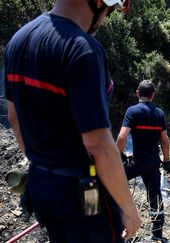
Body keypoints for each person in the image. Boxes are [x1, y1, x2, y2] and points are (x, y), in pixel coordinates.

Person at [4, 0, 142, 242]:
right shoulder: (82, 49)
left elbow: (14, 119)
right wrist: (129, 210)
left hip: (41, 184)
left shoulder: (18, 40)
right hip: (83, 195)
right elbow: (98, 145)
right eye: (109, 11)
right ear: (99, 2)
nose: (105, 18)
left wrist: (46, 165)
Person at [116, 80, 170, 242]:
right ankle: (157, 234)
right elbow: (164, 140)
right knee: (155, 197)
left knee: (113, 184)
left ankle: (114, 225)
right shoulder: (159, 114)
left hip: (137, 163)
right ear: (153, 96)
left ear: (137, 93)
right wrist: (167, 160)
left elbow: (121, 137)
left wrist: (118, 155)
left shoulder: (132, 111)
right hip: (153, 163)